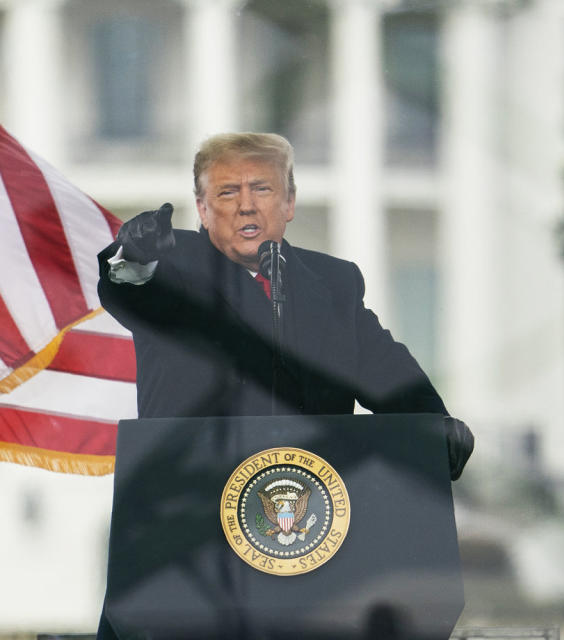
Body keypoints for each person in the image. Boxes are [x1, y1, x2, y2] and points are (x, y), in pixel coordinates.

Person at [96, 132, 474, 638]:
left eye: (263, 189)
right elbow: (127, 282)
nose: (246, 205)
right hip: (190, 544)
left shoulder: (333, 283)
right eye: (227, 193)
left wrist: (434, 425)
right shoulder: (173, 267)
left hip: (311, 543)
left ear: (290, 202)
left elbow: (386, 371)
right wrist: (136, 255)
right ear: (202, 210)